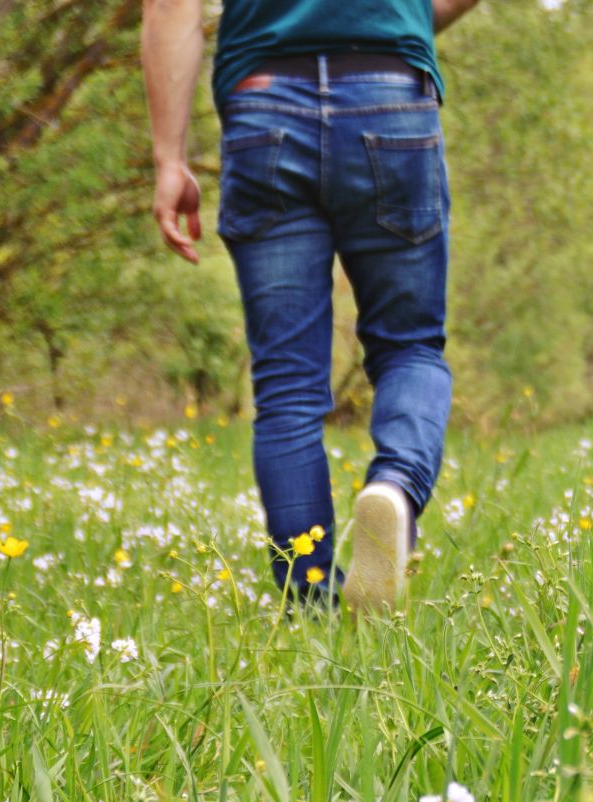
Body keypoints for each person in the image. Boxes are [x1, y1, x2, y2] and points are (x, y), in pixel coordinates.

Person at [140, 0, 480, 612]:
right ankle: (396, 489)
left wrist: (170, 158)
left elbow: (171, 7)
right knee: (409, 348)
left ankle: (310, 603)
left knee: (287, 387)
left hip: (263, 98)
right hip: (389, 90)